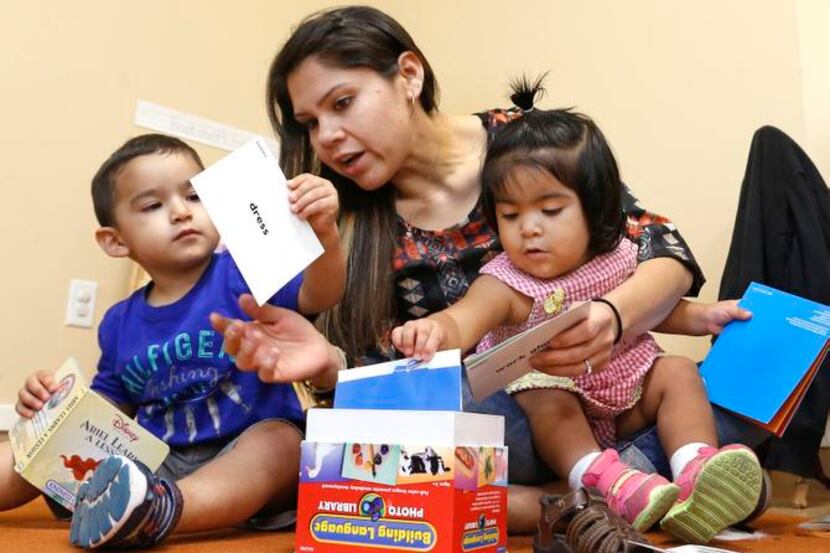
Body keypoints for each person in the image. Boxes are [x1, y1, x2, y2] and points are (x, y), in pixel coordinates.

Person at [216, 4, 738, 532]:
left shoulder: (523, 145)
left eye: (343, 103)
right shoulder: (342, 219)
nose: (326, 136)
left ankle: (602, 492)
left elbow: (656, 251)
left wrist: (613, 314)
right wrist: (333, 368)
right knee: (434, 424)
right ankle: (607, 492)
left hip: (617, 389)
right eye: (310, 124)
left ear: (409, 75)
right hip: (508, 419)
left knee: (746, 364)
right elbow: (396, 387)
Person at [390, 78, 762, 543]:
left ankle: (696, 469)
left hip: (625, 391)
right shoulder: (504, 281)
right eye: (510, 216)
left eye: (550, 210)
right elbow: (463, 318)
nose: (529, 229)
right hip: (559, 414)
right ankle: (603, 480)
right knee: (549, 401)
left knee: (679, 372)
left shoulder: (618, 256)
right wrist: (431, 330)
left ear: (595, 209)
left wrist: (704, 317)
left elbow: (661, 312)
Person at [0, 133, 346, 549]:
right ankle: (138, 503)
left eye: (195, 197)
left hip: (247, 456)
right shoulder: (118, 322)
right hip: (156, 464)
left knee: (282, 443)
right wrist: (53, 409)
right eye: (153, 205)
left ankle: (161, 511)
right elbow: (111, 404)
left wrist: (325, 235)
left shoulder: (244, 272)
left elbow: (320, 293)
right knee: (53, 437)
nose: (182, 212)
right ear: (116, 241)